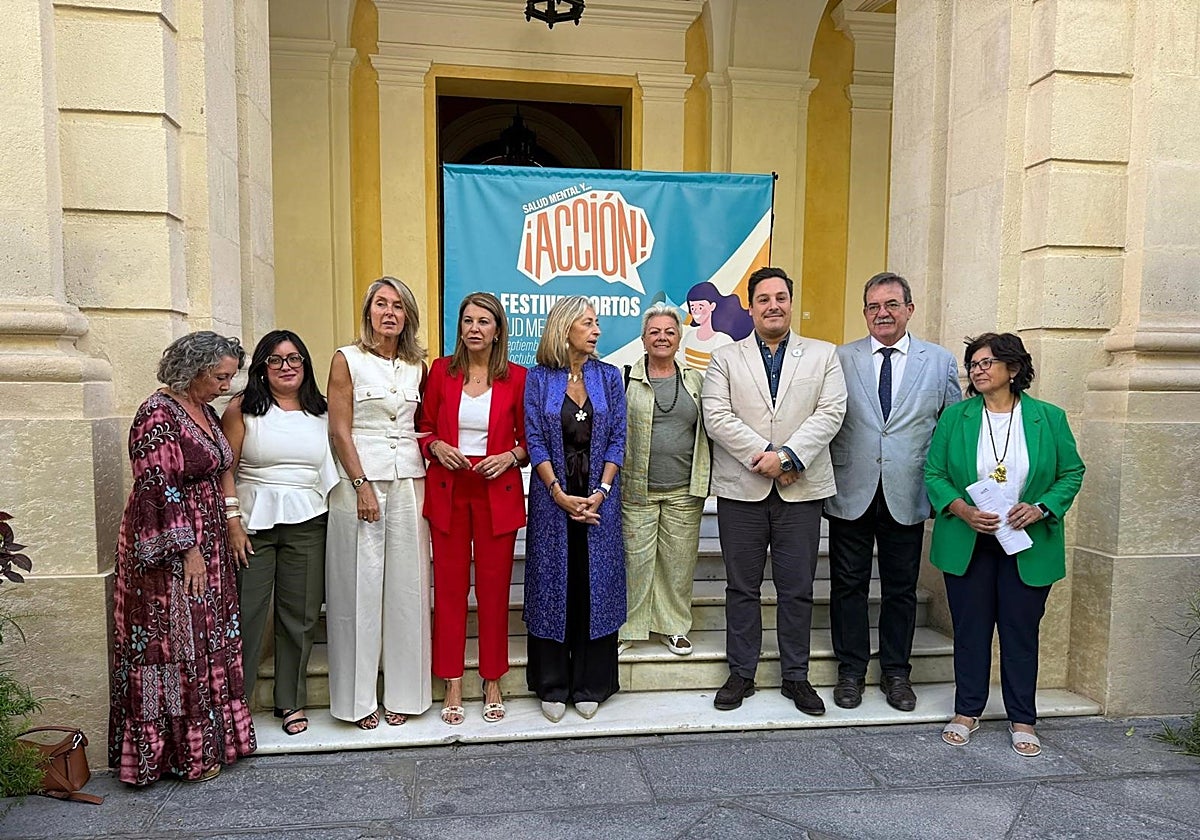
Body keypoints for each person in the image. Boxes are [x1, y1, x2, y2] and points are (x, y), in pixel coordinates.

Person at [925, 332, 1084, 756]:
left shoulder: (1048, 418)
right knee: (971, 630)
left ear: (1013, 369)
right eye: (973, 364)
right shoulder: (955, 418)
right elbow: (934, 474)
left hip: (1027, 542)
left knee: (1020, 632)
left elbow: (1071, 472)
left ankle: (1022, 719)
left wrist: (1043, 507)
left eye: (986, 363)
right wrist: (961, 509)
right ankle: (967, 710)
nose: (977, 370)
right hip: (970, 541)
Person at [109, 331, 255, 785]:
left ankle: (212, 743)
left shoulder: (206, 413)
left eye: (231, 376)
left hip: (208, 544)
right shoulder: (157, 413)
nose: (226, 385)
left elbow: (219, 469)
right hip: (171, 554)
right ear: (192, 370)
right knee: (168, 648)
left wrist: (226, 526)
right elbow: (156, 485)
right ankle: (169, 754)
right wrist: (186, 549)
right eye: (219, 376)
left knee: (208, 640)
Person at [702, 266, 847, 716]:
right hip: (741, 490)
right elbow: (717, 416)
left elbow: (831, 412)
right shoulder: (725, 358)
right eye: (763, 299)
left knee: (797, 587)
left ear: (790, 300)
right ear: (750, 306)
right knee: (741, 587)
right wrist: (768, 456)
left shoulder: (823, 355)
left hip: (800, 490)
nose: (773, 306)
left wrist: (788, 458)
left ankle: (795, 677)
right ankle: (741, 673)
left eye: (780, 297)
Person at [825, 272, 962, 712]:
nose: (881, 313)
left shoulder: (938, 362)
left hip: (909, 489)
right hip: (852, 488)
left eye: (891, 305)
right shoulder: (840, 359)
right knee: (848, 585)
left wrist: (950, 492)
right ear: (864, 312)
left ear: (909, 309)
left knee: (901, 589)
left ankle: (896, 674)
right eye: (872, 306)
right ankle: (850, 671)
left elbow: (951, 429)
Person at [325, 276, 431, 729]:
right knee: (359, 588)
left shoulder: (417, 367)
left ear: (407, 315)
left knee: (408, 588)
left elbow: (422, 425)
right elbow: (338, 429)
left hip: (409, 478)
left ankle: (406, 694)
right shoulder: (346, 360)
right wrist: (361, 483)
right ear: (368, 311)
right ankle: (358, 700)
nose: (389, 312)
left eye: (398, 306)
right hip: (359, 481)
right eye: (380, 304)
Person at [221, 330, 338, 737]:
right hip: (251, 524)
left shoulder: (323, 411)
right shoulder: (242, 409)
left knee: (300, 616)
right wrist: (232, 521)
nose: (286, 367)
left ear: (305, 364)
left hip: (309, 521)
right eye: (276, 360)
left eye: (294, 359)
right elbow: (224, 469)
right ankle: (235, 702)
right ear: (261, 368)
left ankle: (290, 700)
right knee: (247, 614)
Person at [418, 292, 528, 726]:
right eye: (468, 321)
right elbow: (422, 428)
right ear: (459, 327)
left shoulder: (517, 378)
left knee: (494, 590)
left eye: (484, 321)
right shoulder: (441, 372)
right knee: (448, 590)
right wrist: (437, 446)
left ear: (498, 329)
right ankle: (452, 680)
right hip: (449, 490)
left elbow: (530, 440)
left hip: (495, 491)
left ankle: (493, 678)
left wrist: (513, 457)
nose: (475, 328)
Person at [524, 295, 626, 722]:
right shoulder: (538, 378)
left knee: (593, 585)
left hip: (599, 500)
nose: (596, 330)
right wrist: (558, 494)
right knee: (555, 584)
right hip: (554, 503)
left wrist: (600, 491)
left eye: (596, 323)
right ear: (565, 328)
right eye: (588, 323)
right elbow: (535, 439)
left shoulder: (609, 376)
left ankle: (591, 683)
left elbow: (619, 438)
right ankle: (552, 683)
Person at [619, 303, 710, 657]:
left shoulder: (694, 380)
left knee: (678, 563)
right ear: (643, 339)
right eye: (654, 331)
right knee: (635, 563)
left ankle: (673, 627)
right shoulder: (626, 380)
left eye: (669, 332)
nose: (662, 337)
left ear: (679, 338)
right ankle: (630, 628)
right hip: (636, 490)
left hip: (684, 491)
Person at [680, 280, 752, 372]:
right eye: (693, 307)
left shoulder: (723, 341)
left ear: (712, 306)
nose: (696, 311)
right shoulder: (689, 337)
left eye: (701, 307)